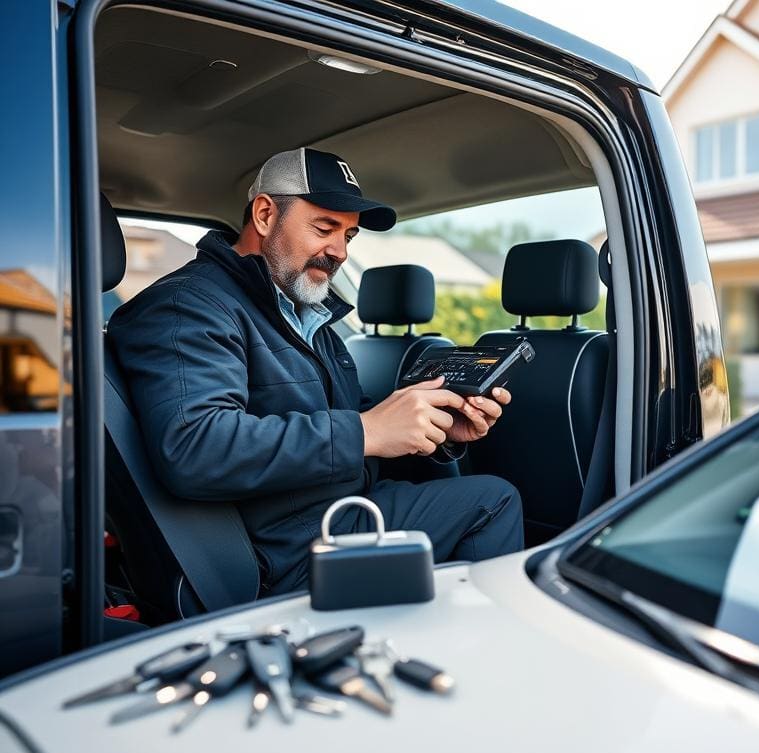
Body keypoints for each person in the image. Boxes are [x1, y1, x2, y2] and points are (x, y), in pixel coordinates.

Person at [108, 147, 524, 595]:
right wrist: (364, 431)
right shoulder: (187, 307)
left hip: (335, 509)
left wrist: (437, 433)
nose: (340, 251)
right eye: (325, 228)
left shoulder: (304, 312)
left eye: (349, 236)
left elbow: (348, 419)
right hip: (286, 549)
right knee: (493, 501)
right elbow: (195, 447)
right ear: (265, 215)